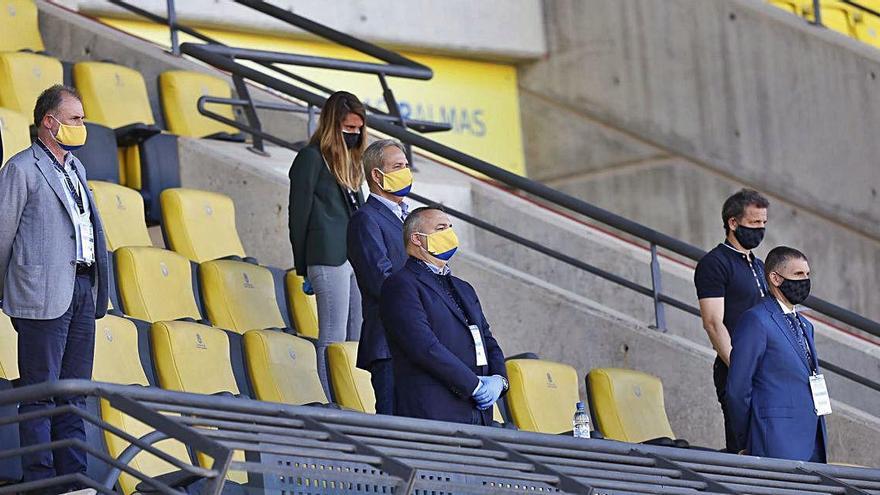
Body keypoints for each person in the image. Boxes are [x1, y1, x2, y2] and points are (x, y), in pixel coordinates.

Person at [0, 85, 110, 490]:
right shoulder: (21, 169)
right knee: (40, 396)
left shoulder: (76, 169)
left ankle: (74, 479)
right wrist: (9, 294)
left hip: (82, 288)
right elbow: (1, 239)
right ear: (49, 122)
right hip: (40, 294)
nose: (82, 127)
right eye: (75, 119)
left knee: (74, 394)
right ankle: (41, 481)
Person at [380, 206, 508, 425]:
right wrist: (473, 385)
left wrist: (499, 380)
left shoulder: (464, 288)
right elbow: (424, 346)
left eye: (450, 227)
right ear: (417, 239)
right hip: (435, 413)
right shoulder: (401, 284)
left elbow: (488, 340)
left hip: (479, 414)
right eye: (441, 228)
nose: (449, 233)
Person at [289, 91, 366, 393]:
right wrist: (303, 267)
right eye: (348, 129)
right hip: (327, 256)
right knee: (332, 334)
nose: (355, 134)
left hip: (355, 258)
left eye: (358, 129)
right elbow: (298, 215)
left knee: (358, 334)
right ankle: (329, 396)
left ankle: (353, 393)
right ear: (333, 125)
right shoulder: (310, 158)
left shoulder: (351, 162)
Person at [727, 246, 827, 462]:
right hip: (774, 442)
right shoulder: (756, 320)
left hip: (813, 440)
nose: (805, 280)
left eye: (807, 274)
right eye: (798, 274)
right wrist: (747, 440)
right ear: (775, 278)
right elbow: (737, 388)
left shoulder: (806, 326)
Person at [693, 188, 769, 453]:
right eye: (753, 222)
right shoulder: (715, 263)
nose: (760, 229)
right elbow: (713, 323)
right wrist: (741, 369)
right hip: (737, 371)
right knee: (745, 449)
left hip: (766, 372)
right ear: (732, 222)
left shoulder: (759, 266)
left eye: (763, 223)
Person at [347, 139, 412, 414]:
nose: (406, 172)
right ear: (377, 174)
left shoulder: (409, 219)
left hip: (414, 341)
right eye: (398, 166)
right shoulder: (366, 219)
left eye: (407, 166)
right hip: (388, 344)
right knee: (394, 431)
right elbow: (380, 279)